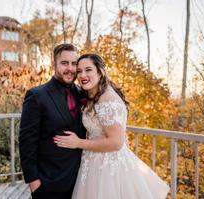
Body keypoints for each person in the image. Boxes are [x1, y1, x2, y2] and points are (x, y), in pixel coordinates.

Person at [53, 53, 170, 199]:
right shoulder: (93, 95)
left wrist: (78, 143)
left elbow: (116, 143)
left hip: (108, 169)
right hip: (93, 163)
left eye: (88, 70)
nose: (83, 75)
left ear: (100, 72)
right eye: (79, 71)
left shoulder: (107, 99)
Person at [19, 44, 86, 199]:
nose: (70, 68)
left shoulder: (83, 93)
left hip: (81, 180)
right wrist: (34, 183)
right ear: (53, 65)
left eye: (74, 63)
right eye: (64, 63)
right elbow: (26, 141)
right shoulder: (37, 96)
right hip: (49, 183)